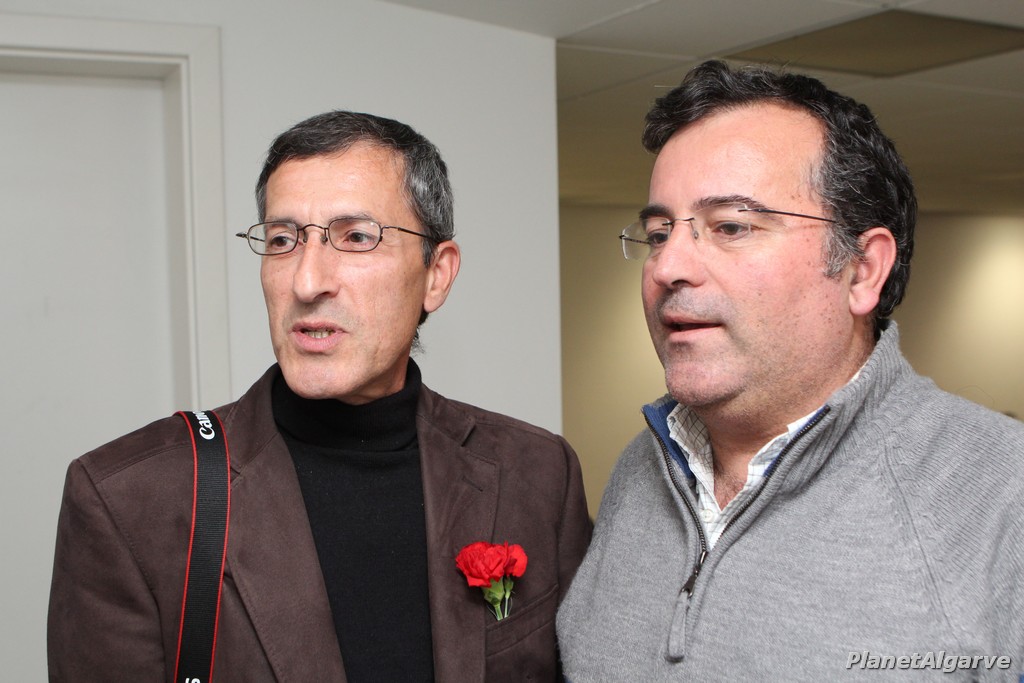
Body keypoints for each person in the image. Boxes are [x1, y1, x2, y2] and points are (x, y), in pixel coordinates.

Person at [48, 111, 592, 682]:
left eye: (355, 237)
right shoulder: (128, 499)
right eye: (283, 240)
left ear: (437, 274)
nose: (306, 282)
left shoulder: (537, 473)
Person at [557, 60, 1024, 680]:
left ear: (861, 270)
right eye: (659, 232)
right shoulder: (641, 470)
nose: (667, 266)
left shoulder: (1003, 496)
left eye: (731, 226)